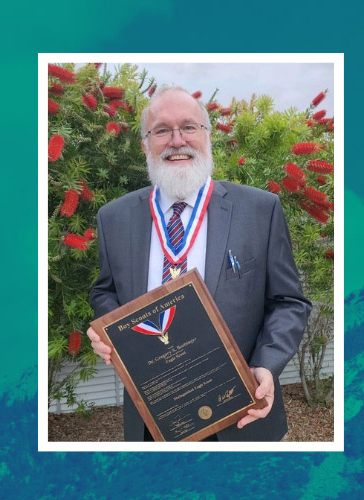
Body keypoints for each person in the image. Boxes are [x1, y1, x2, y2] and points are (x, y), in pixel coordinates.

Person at [87, 86, 311, 441]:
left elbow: (289, 302)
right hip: (155, 417)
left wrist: (266, 365)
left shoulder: (259, 209)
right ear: (145, 144)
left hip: (242, 410)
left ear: (208, 137)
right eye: (162, 130)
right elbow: (104, 291)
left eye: (189, 127)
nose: (177, 140)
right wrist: (107, 330)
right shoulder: (113, 218)